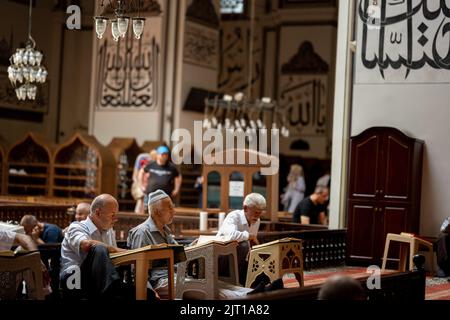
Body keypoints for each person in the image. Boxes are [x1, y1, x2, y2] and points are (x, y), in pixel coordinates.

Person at [59, 194, 131, 299]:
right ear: (97, 213)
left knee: (147, 293)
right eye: (112, 215)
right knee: (99, 248)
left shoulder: (109, 230)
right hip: (74, 279)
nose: (116, 219)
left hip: (98, 281)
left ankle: (113, 289)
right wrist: (116, 250)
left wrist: (135, 256)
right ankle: (112, 289)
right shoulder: (76, 226)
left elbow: (116, 258)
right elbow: (86, 245)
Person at [127, 189, 178, 299]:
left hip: (175, 276)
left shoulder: (165, 231)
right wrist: (149, 292)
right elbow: (137, 270)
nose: (173, 211)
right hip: (159, 281)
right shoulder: (142, 232)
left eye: (172, 206)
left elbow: (179, 254)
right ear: (156, 211)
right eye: (169, 207)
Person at [216, 193, 266, 285]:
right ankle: (233, 281)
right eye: (256, 212)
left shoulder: (257, 221)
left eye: (260, 213)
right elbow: (231, 235)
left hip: (240, 260)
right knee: (243, 245)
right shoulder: (233, 216)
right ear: (246, 208)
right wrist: (249, 236)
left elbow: (252, 242)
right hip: (220, 257)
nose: (258, 216)